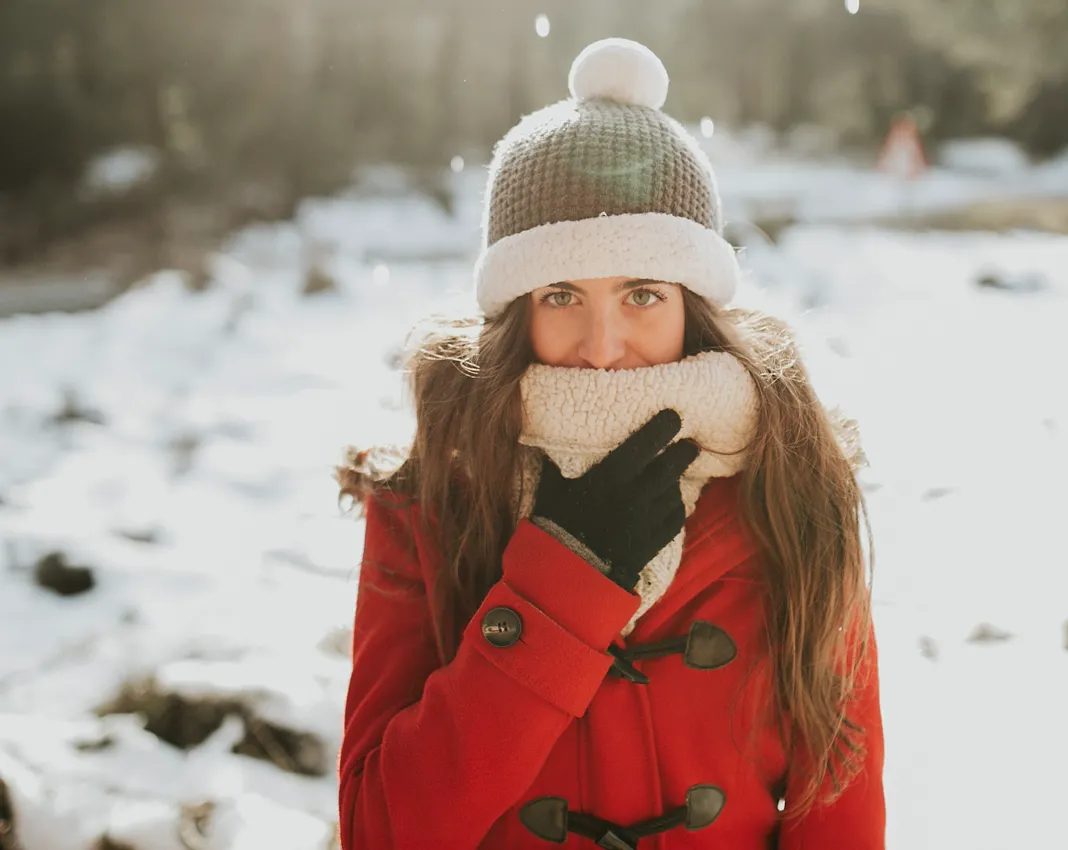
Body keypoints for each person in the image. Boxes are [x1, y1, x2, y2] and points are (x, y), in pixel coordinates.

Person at [336, 37, 884, 849]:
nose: (602, 345)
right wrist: (560, 587)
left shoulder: (793, 483)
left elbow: (838, 808)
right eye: (561, 294)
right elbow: (382, 830)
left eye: (641, 294)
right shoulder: (432, 493)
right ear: (515, 313)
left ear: (693, 305)